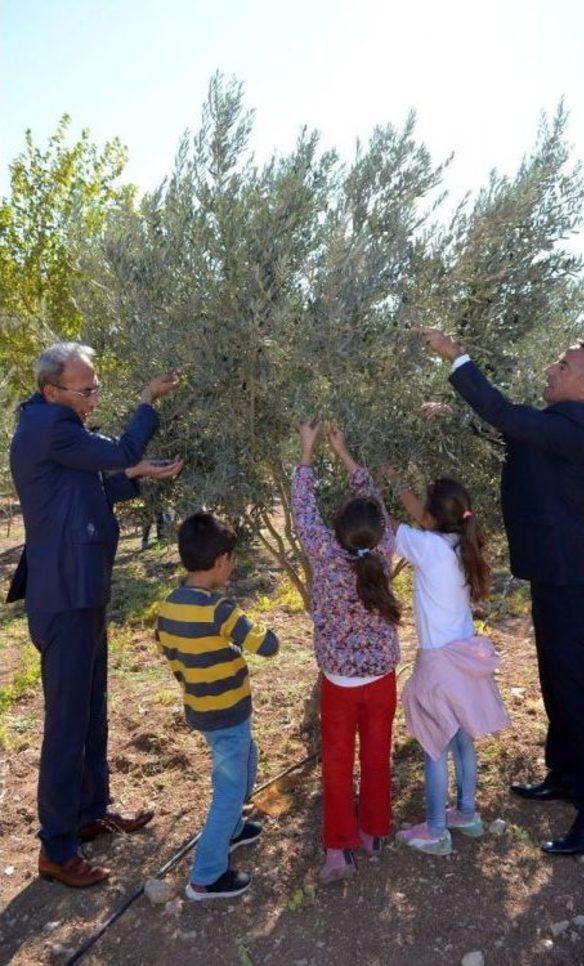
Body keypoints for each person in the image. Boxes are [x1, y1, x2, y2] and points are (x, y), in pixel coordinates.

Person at [417, 328, 584, 856]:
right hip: (559, 575)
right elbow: (512, 432)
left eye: (563, 365)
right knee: (557, 682)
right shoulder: (561, 423)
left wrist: (457, 358)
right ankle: (565, 775)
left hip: (574, 580)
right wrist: (455, 412)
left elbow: (510, 418)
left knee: (575, 694)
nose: (552, 369)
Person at [8, 342, 182, 887]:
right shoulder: (50, 428)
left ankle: (89, 811)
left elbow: (90, 487)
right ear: (51, 390)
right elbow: (123, 446)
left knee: (91, 706)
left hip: (82, 588)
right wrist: (148, 402)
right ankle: (56, 849)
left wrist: (138, 476)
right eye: (86, 390)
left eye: (95, 388)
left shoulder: (59, 430)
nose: (92, 397)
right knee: (66, 723)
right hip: (64, 595)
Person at [291, 422, 400, 885]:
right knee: (377, 754)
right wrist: (347, 454)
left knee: (336, 764)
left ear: (336, 531)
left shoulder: (322, 551)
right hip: (381, 679)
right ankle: (374, 831)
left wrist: (308, 451)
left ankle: (339, 849)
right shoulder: (387, 546)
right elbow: (374, 506)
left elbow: (302, 510)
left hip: (338, 682)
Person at [156, 513, 279, 900]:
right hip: (228, 712)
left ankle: (234, 828)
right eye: (233, 560)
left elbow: (172, 655)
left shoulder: (168, 608)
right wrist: (260, 629)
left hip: (203, 710)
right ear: (222, 560)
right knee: (227, 790)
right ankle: (206, 876)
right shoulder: (219, 610)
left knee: (245, 757)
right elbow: (268, 645)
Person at [386, 470, 509, 855]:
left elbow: (385, 526)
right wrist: (400, 484)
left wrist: (367, 477)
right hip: (464, 659)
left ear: (433, 518)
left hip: (437, 664)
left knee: (434, 744)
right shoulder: (461, 545)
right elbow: (423, 519)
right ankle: (467, 813)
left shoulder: (426, 547)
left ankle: (436, 830)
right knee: (461, 742)